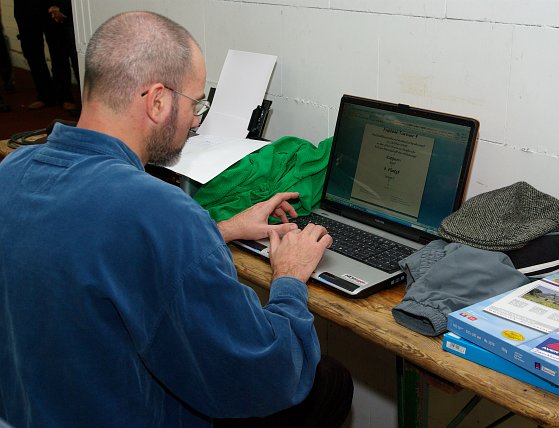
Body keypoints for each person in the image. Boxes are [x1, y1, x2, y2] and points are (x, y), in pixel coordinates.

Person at [0, 11, 352, 428]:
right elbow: (267, 376)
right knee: (329, 381)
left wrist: (222, 230)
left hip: (34, 408)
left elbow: (99, 249)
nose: (197, 119)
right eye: (196, 103)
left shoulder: (11, 170)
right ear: (157, 101)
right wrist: (289, 280)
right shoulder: (163, 213)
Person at [13, 0, 77, 110]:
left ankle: (65, 96)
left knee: (59, 50)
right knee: (32, 52)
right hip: (24, 7)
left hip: (50, 3)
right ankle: (45, 95)